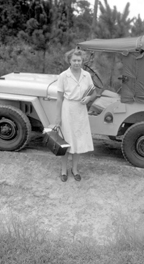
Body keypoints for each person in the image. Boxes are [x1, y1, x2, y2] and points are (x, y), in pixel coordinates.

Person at [55, 49, 97, 182]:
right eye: (74, 60)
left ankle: (75, 169)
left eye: (79, 60)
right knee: (66, 143)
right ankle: (63, 170)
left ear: (82, 61)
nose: (77, 63)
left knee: (78, 142)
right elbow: (59, 98)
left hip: (81, 111)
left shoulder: (87, 75)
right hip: (68, 110)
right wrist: (57, 118)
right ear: (69, 61)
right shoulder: (63, 76)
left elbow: (93, 92)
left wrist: (89, 99)